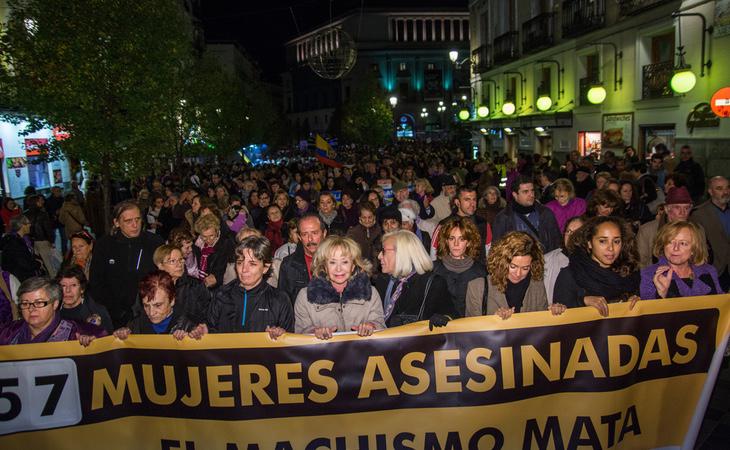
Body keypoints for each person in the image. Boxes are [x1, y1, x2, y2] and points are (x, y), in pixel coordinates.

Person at [88, 201, 164, 328]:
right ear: (116, 223)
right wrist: (114, 310)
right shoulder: (104, 246)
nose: (135, 225)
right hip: (115, 314)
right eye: (128, 221)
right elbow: (96, 281)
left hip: (151, 311)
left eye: (137, 219)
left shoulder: (154, 242)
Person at [294, 236, 385, 339]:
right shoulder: (305, 296)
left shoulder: (370, 293)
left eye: (345, 262)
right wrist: (313, 332)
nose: (338, 269)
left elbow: (381, 325)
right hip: (322, 354)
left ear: (353, 266)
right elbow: (299, 333)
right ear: (324, 266)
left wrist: (372, 326)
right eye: (332, 262)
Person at [201, 236, 293, 338]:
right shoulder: (221, 295)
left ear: (265, 268)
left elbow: (288, 341)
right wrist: (203, 332)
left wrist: (280, 335)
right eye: (240, 263)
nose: (244, 270)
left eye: (252, 264)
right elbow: (209, 334)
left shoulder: (279, 299)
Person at [554, 216, 641, 316]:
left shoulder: (630, 274)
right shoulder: (570, 274)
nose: (611, 248)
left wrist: (636, 302)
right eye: (603, 241)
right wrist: (582, 301)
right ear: (589, 243)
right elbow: (559, 321)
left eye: (616, 241)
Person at [374, 230, 456, 328]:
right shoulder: (382, 281)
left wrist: (444, 318)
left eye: (384, 251)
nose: (379, 256)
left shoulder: (433, 284)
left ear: (402, 253)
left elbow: (453, 317)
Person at [0, 276, 106, 346]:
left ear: (55, 304)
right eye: (25, 303)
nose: (31, 309)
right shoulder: (8, 333)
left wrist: (93, 346)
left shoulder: (78, 333)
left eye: (39, 303)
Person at [486, 231, 566, 318]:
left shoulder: (536, 284)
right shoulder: (479, 287)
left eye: (525, 268)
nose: (518, 274)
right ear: (502, 262)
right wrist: (494, 320)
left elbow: (542, 321)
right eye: (513, 266)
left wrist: (554, 312)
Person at [640, 221, 722, 300]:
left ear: (694, 249)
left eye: (683, 243)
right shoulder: (650, 274)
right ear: (663, 245)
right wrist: (661, 294)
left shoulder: (708, 271)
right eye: (670, 242)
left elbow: (721, 304)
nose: (676, 248)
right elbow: (648, 311)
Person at [113, 270, 198, 340]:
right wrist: (121, 337)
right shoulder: (134, 326)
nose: (151, 313)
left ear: (172, 301)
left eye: (158, 305)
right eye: (146, 305)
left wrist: (190, 342)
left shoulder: (189, 327)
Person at [492, 175, 561, 253]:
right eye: (525, 192)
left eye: (532, 190)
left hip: (545, 261)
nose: (531, 195)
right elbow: (497, 249)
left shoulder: (545, 214)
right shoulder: (503, 218)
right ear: (515, 195)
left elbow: (556, 243)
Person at [433, 217, 487, 317]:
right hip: (440, 328)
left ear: (469, 242)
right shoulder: (433, 270)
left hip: (470, 328)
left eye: (461, 239)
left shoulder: (481, 272)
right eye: (451, 238)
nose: (456, 244)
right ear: (446, 241)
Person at [153, 244, 210, 325]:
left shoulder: (196, 285)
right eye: (172, 261)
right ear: (160, 265)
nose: (179, 264)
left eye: (180, 260)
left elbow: (207, 314)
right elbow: (140, 314)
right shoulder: (151, 286)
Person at [637, 186, 693, 268]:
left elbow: (703, 259)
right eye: (677, 207)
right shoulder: (647, 231)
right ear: (667, 209)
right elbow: (640, 263)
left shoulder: (697, 230)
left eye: (686, 208)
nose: (682, 212)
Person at [690, 176, 730, 292]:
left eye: (728, 188)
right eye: (719, 188)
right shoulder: (699, 214)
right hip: (713, 270)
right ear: (710, 192)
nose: (725, 192)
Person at [279, 214, 327, 302]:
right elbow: (283, 302)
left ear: (324, 233)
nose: (310, 239)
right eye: (305, 234)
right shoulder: (288, 265)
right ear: (299, 237)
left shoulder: (337, 261)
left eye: (314, 233)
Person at [57, 266, 113, 332]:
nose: (68, 290)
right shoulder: (51, 312)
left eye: (73, 285)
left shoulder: (98, 311)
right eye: (63, 285)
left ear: (82, 289)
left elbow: (109, 339)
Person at [543, 216, 585, 304]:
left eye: (577, 232)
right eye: (568, 231)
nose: (571, 236)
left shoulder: (593, 263)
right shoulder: (547, 260)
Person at [194, 213, 235, 290]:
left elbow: (229, 269)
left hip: (220, 286)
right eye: (204, 237)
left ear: (217, 231)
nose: (208, 240)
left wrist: (217, 279)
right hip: (200, 283)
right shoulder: (197, 244)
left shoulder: (226, 244)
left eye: (211, 235)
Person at [0, 215, 44, 282]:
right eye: (28, 223)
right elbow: (24, 263)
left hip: (25, 275)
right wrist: (38, 263)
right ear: (21, 225)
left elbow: (28, 255)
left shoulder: (24, 239)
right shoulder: (13, 242)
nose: (30, 225)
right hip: (20, 278)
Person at [347, 201, 383, 267]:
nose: (367, 221)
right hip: (359, 269)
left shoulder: (381, 231)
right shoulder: (352, 233)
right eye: (364, 217)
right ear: (359, 218)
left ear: (374, 217)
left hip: (380, 269)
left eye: (370, 217)